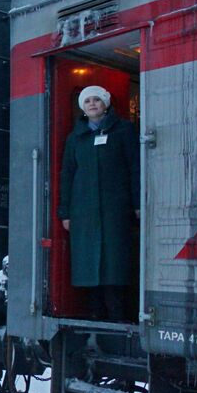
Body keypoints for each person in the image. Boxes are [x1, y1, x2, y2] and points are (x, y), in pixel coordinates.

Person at [58, 85, 140, 321]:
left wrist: (137, 203)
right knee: (88, 266)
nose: (92, 104)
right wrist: (65, 212)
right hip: (83, 212)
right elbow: (67, 175)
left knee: (115, 263)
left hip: (116, 209)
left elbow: (135, 168)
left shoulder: (124, 130)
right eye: (87, 101)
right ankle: (95, 315)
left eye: (97, 100)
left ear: (106, 104)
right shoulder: (75, 138)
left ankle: (118, 316)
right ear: (82, 107)